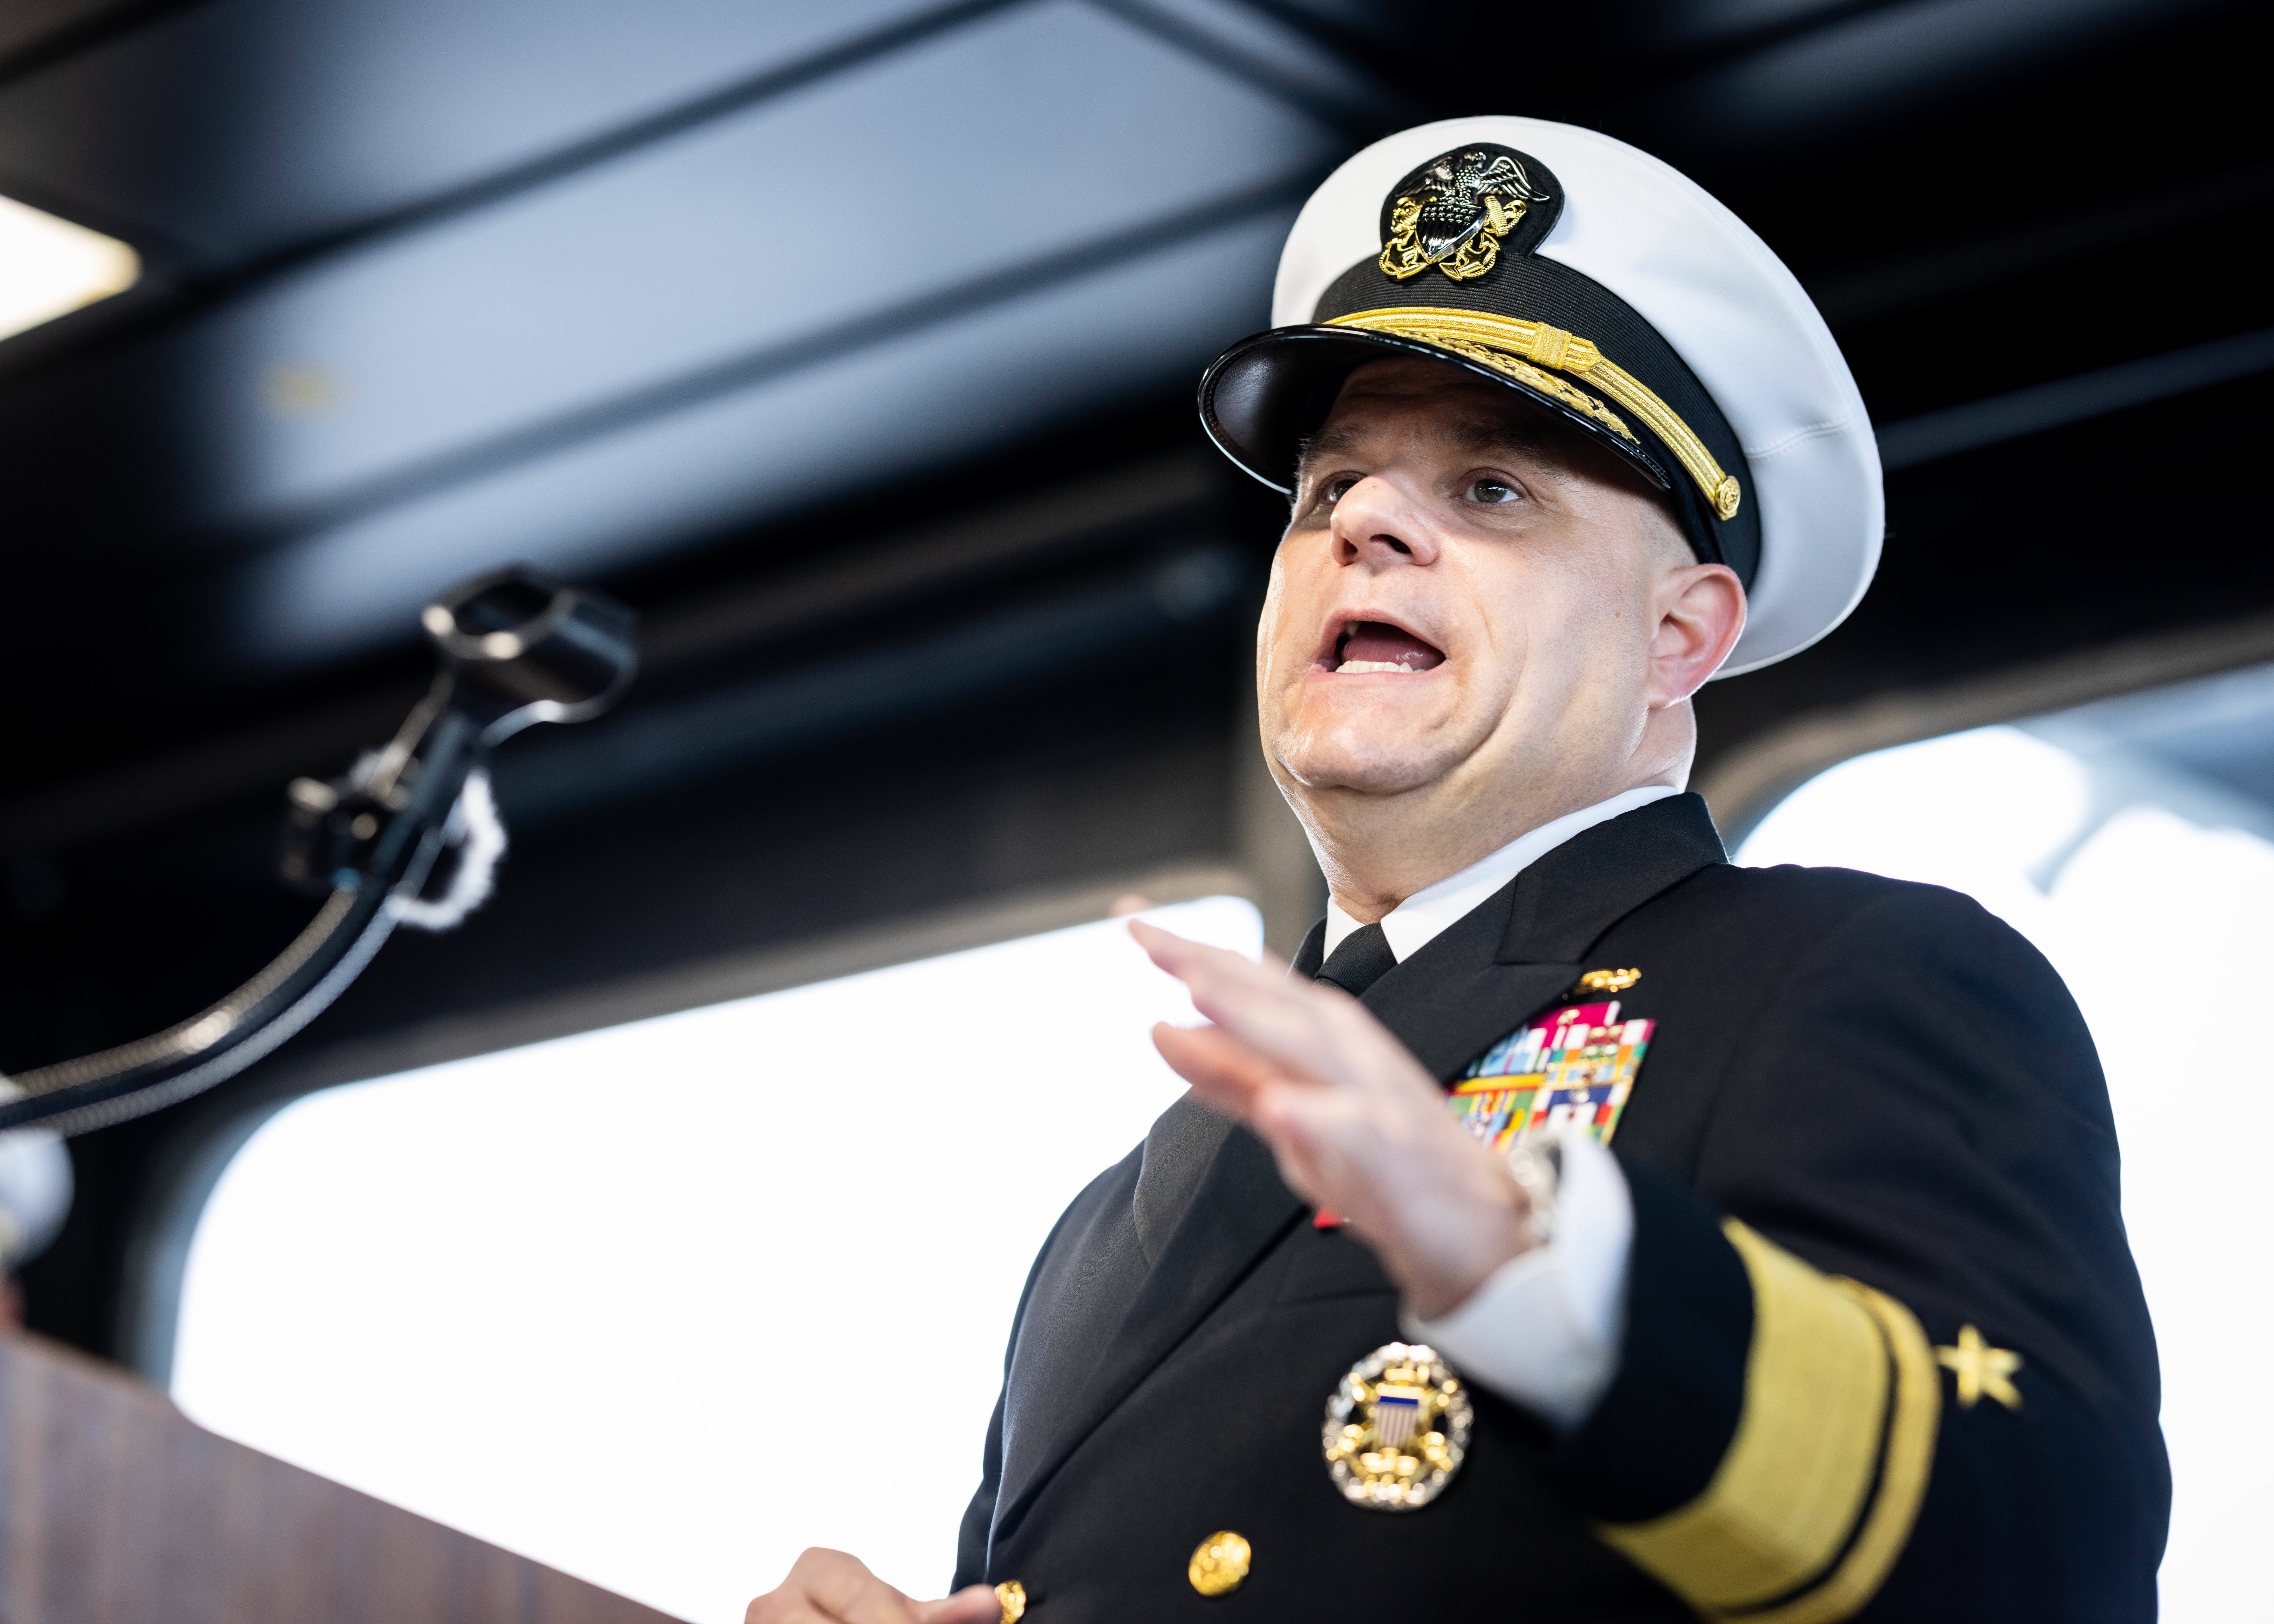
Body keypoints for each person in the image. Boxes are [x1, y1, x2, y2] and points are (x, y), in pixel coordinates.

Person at [747, 117, 2166, 1623]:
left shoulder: (1844, 977)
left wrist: (1533, 1265)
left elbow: (2036, 1548)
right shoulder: (1109, 1223)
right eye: (1326, 489)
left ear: (1677, 636)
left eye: (1491, 488)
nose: (1361, 521)